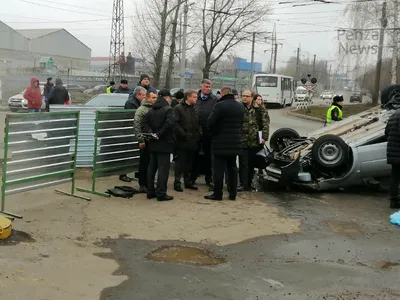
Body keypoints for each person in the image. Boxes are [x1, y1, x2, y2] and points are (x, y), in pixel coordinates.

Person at [205, 87, 244, 201]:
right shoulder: (239, 106)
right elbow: (241, 123)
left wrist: (214, 133)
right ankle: (233, 193)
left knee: (218, 169)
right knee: (232, 168)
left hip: (220, 142)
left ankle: (218, 194)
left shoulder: (219, 105)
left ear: (222, 94)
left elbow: (210, 122)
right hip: (235, 141)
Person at [143, 89, 175, 201]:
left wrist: (152, 133)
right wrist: (159, 134)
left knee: (151, 168)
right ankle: (161, 193)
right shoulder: (168, 109)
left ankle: (150, 191)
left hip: (153, 143)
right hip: (164, 143)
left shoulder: (151, 110)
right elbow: (169, 124)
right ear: (167, 98)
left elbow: (145, 123)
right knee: (163, 169)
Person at [238, 89, 269, 192]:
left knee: (251, 163)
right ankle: (243, 183)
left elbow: (265, 124)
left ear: (252, 97)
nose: (244, 98)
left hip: (255, 141)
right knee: (243, 163)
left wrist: (264, 137)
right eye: (243, 96)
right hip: (242, 140)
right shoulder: (239, 108)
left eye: (247, 96)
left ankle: (249, 183)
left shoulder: (259, 109)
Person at [173, 89, 201, 192]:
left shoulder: (195, 108)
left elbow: (199, 123)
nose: (196, 99)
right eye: (194, 97)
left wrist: (199, 134)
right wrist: (183, 134)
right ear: (188, 97)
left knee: (189, 162)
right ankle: (177, 182)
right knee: (180, 162)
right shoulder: (178, 108)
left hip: (193, 140)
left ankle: (188, 181)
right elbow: (175, 123)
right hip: (182, 140)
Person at [118, 86, 147, 183]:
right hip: (129, 131)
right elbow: (134, 117)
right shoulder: (131, 103)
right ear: (138, 95)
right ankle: (123, 174)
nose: (145, 97)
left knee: (136, 153)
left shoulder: (138, 103)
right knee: (126, 154)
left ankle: (137, 172)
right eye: (143, 95)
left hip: (135, 131)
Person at [192, 79, 218, 187]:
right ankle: (192, 177)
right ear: (201, 86)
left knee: (208, 156)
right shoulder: (195, 98)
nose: (208, 89)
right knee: (194, 155)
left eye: (209, 87)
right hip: (195, 131)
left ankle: (209, 178)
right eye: (206, 86)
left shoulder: (214, 99)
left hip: (208, 132)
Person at [132, 90, 158, 193]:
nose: (155, 99)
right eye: (153, 98)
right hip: (145, 140)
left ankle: (149, 183)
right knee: (144, 163)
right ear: (147, 98)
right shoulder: (141, 110)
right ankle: (142, 184)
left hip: (152, 140)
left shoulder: (155, 109)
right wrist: (140, 140)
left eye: (156, 97)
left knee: (151, 163)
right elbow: (137, 125)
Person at [385, 108, 400, 209]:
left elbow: (386, 132)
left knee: (395, 176)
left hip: (393, 151)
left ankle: (393, 200)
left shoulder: (394, 115)